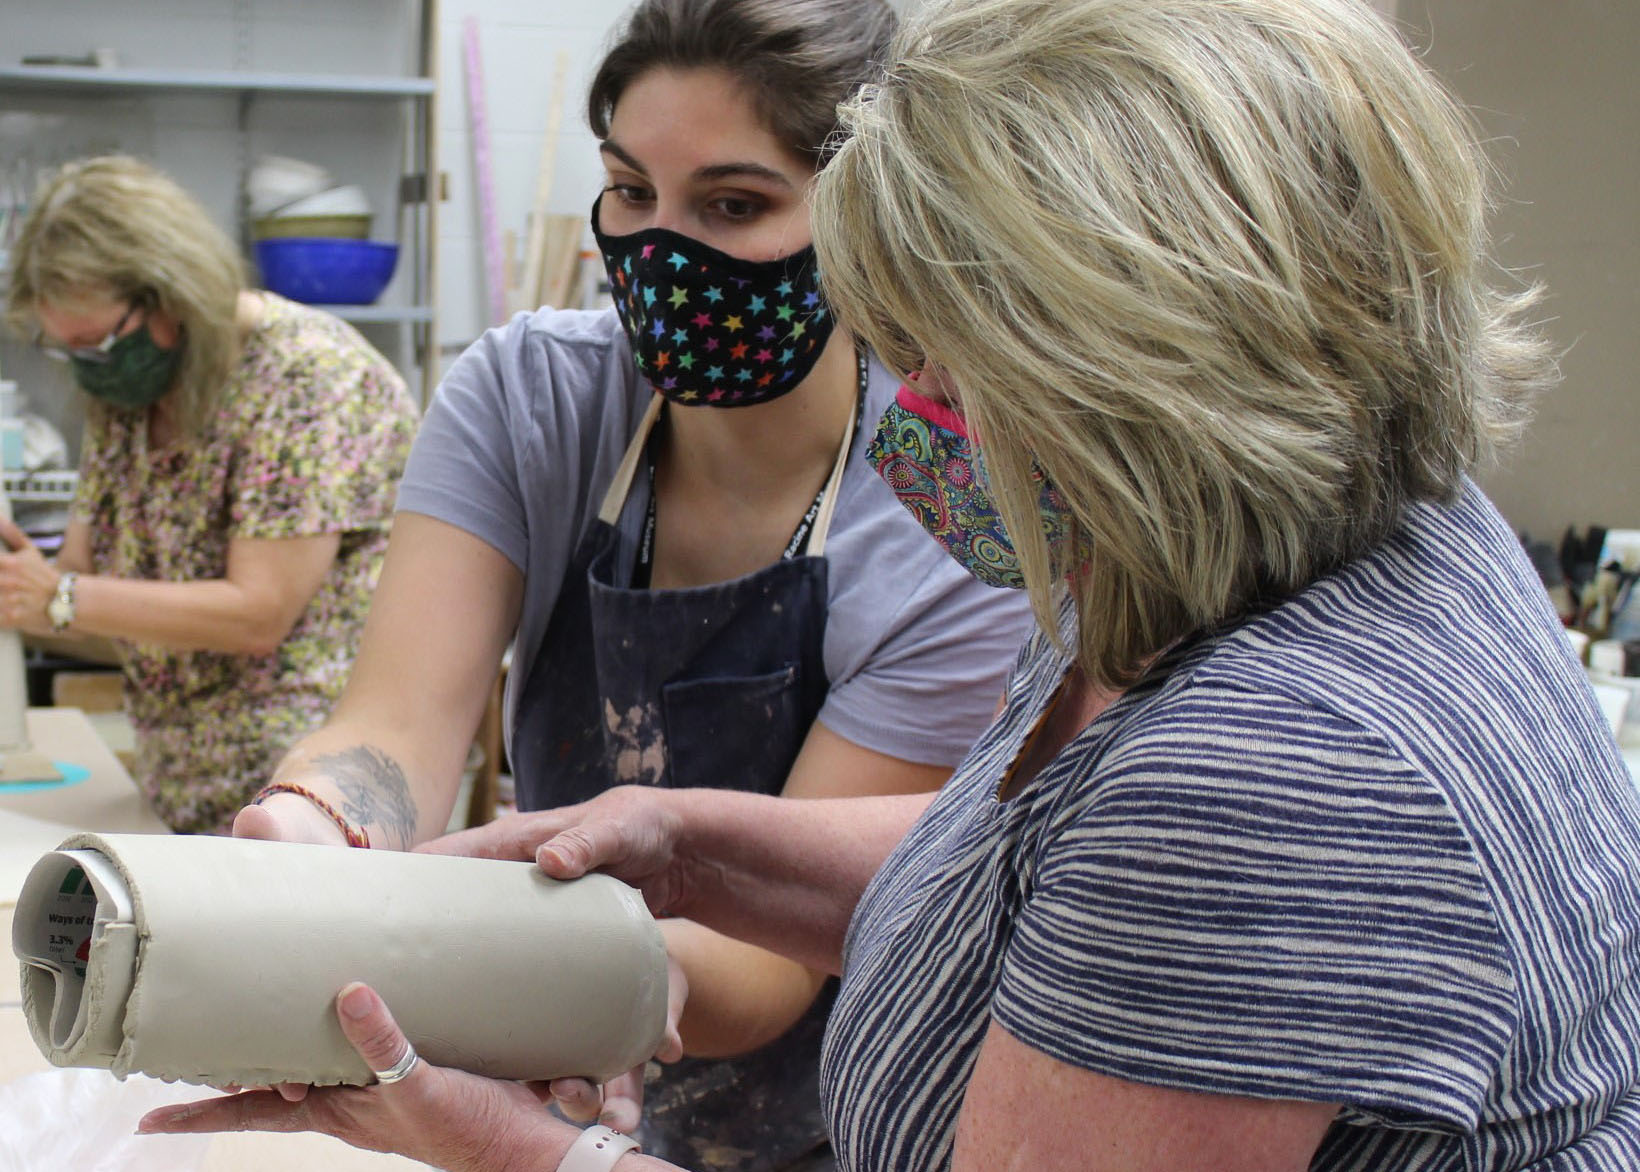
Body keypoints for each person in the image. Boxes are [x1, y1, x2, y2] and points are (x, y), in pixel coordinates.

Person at [141, 0, 1640, 1167]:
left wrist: (522, 1151)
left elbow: (1168, 869)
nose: (906, 405)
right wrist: (687, 843)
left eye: (934, 353)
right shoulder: (1312, 544)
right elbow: (1024, 876)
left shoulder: (1267, 771)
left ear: (1141, 363)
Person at [227, 1, 1032, 1168]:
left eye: (733, 203)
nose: (661, 249)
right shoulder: (529, 399)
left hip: (836, 1113)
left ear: (874, 214)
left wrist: (577, 978)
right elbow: (396, 722)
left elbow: (770, 955)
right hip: (559, 1088)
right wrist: (319, 828)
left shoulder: (942, 506)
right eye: (629, 191)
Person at [0, 155, 418, 834]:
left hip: (304, 797)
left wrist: (59, 597)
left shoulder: (306, 379)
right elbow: (80, 588)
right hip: (180, 790)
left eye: (99, 342)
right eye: (68, 348)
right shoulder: (130, 392)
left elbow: (258, 614)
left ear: (172, 291)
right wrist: (23, 584)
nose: (88, 366)